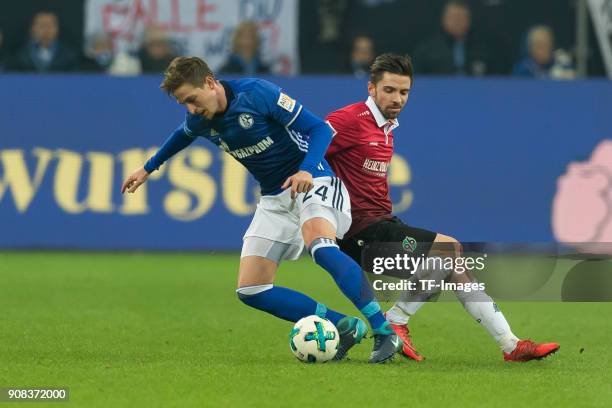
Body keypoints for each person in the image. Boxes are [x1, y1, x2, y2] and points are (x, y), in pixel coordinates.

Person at [121, 56, 402, 363]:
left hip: (315, 181)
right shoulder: (199, 119)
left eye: (192, 99)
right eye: (184, 104)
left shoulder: (257, 93)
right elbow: (181, 135)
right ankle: (343, 326)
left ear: (210, 83)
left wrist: (307, 170)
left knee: (321, 248)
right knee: (251, 289)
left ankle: (384, 331)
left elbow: (320, 129)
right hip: (275, 199)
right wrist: (148, 168)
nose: (191, 109)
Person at [325, 53, 560, 362]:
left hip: (383, 225)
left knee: (454, 268)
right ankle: (396, 320)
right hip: (360, 232)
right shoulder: (349, 120)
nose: (398, 98)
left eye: (404, 92)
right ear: (371, 88)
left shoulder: (385, 127)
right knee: (449, 248)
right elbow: (308, 143)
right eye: (390, 90)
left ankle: (510, 344)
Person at [413, 0, 486, 76]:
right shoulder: (427, 51)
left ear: (469, 20)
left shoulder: (482, 50)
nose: (457, 22)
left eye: (461, 18)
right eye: (453, 18)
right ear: (444, 20)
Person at [8, 10, 79, 72]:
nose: (46, 30)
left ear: (57, 28)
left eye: (50, 25)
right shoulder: (19, 54)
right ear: (32, 28)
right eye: (42, 25)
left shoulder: (69, 56)